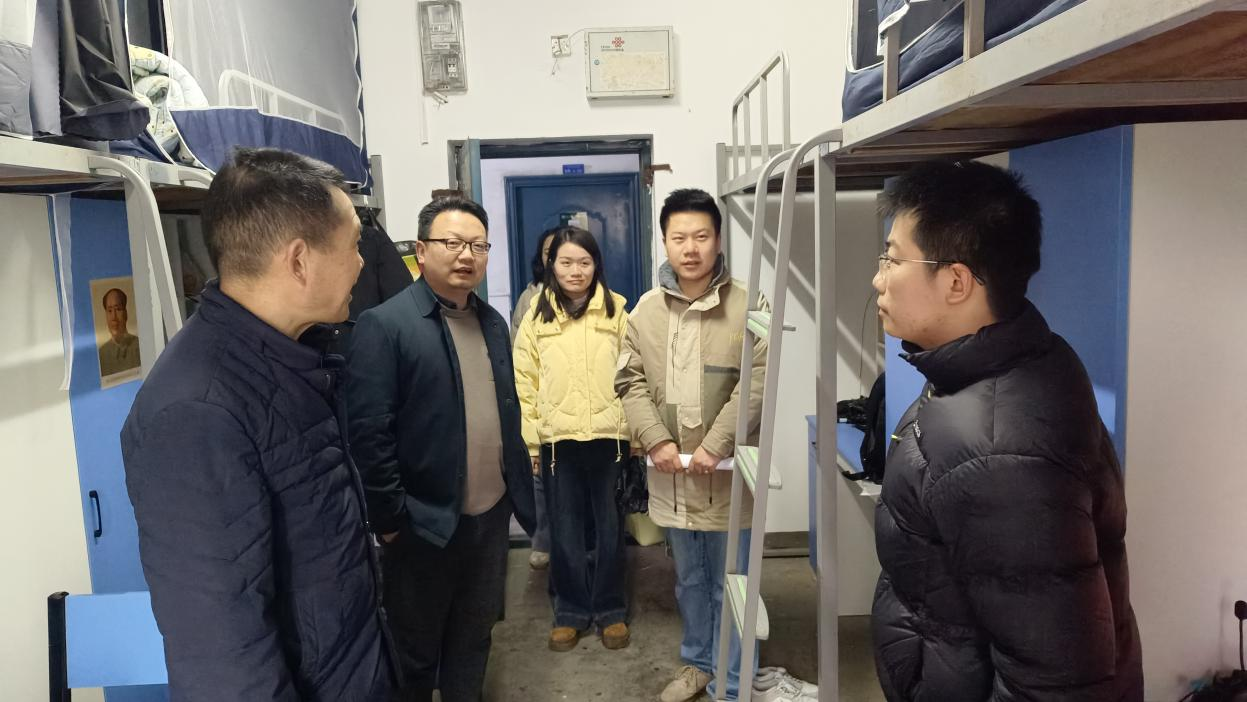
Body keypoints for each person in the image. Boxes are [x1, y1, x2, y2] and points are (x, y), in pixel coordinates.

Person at [120, 148, 393, 701]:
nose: (363, 264)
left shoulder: (295, 359)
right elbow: (224, 661)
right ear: (299, 261)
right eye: (353, 246)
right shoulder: (195, 413)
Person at [870, 161, 1143, 701]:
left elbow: (1054, 677)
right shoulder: (1007, 360)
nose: (879, 278)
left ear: (956, 282)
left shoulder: (997, 451)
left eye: (893, 259)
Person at [346, 195, 537, 702]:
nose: (466, 255)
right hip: (423, 525)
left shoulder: (492, 322)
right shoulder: (386, 325)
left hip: (489, 519)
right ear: (422, 250)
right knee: (414, 649)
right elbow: (369, 433)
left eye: (478, 245)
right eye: (452, 243)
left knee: (474, 638)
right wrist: (391, 521)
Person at [615, 188, 766, 702]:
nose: (691, 248)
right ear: (664, 241)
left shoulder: (749, 303)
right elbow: (629, 380)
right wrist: (655, 438)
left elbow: (758, 380)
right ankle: (700, 664)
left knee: (734, 585)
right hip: (673, 476)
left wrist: (717, 444)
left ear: (718, 240)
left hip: (726, 477)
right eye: (679, 237)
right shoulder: (646, 310)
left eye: (701, 236)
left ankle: (735, 682)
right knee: (690, 581)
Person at [513, 226, 633, 653]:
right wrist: (532, 442)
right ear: (552, 265)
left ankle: (611, 610)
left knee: (609, 529)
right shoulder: (536, 316)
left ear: (595, 264)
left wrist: (633, 432)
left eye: (584, 262)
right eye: (566, 262)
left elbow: (633, 375)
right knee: (564, 531)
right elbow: (524, 381)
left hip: (609, 438)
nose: (575, 271)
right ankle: (570, 613)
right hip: (557, 442)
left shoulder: (617, 311)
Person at [511, 226, 559, 571]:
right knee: (540, 478)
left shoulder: (600, 300)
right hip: (541, 405)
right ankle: (542, 540)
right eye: (548, 252)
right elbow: (517, 353)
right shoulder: (529, 298)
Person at [98, 287, 140, 376]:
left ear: (126, 313)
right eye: (109, 311)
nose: (114, 317)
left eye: (118, 309)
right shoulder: (101, 354)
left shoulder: (139, 346)